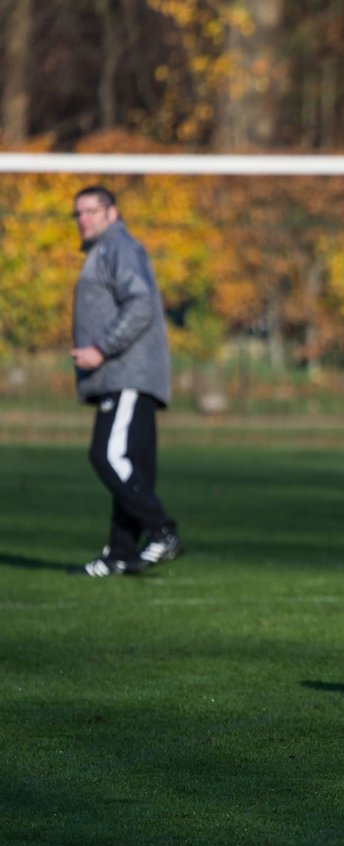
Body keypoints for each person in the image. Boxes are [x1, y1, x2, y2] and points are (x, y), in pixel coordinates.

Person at [68, 185, 184, 577]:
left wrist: (101, 348)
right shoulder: (104, 250)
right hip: (125, 376)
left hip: (127, 374)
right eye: (78, 213)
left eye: (91, 211)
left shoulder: (117, 247)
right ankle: (119, 553)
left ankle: (162, 531)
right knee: (135, 466)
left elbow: (141, 305)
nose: (83, 219)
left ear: (112, 213)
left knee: (107, 455)